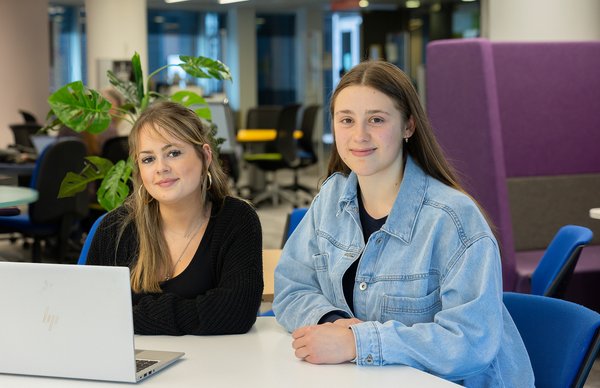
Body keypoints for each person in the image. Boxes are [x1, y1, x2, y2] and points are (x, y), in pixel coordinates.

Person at [272, 61, 534, 386]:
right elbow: (292, 286)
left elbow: (470, 341)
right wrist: (332, 321)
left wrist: (359, 343)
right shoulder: (331, 199)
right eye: (347, 120)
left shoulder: (453, 219)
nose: (359, 135)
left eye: (377, 120)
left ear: (408, 126)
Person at [87, 100, 263, 335]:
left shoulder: (237, 219)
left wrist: (132, 315)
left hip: (215, 366)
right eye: (148, 159)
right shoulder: (115, 228)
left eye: (173, 153)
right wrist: (199, 311)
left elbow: (236, 312)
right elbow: (91, 311)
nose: (161, 168)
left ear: (205, 156)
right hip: (133, 364)